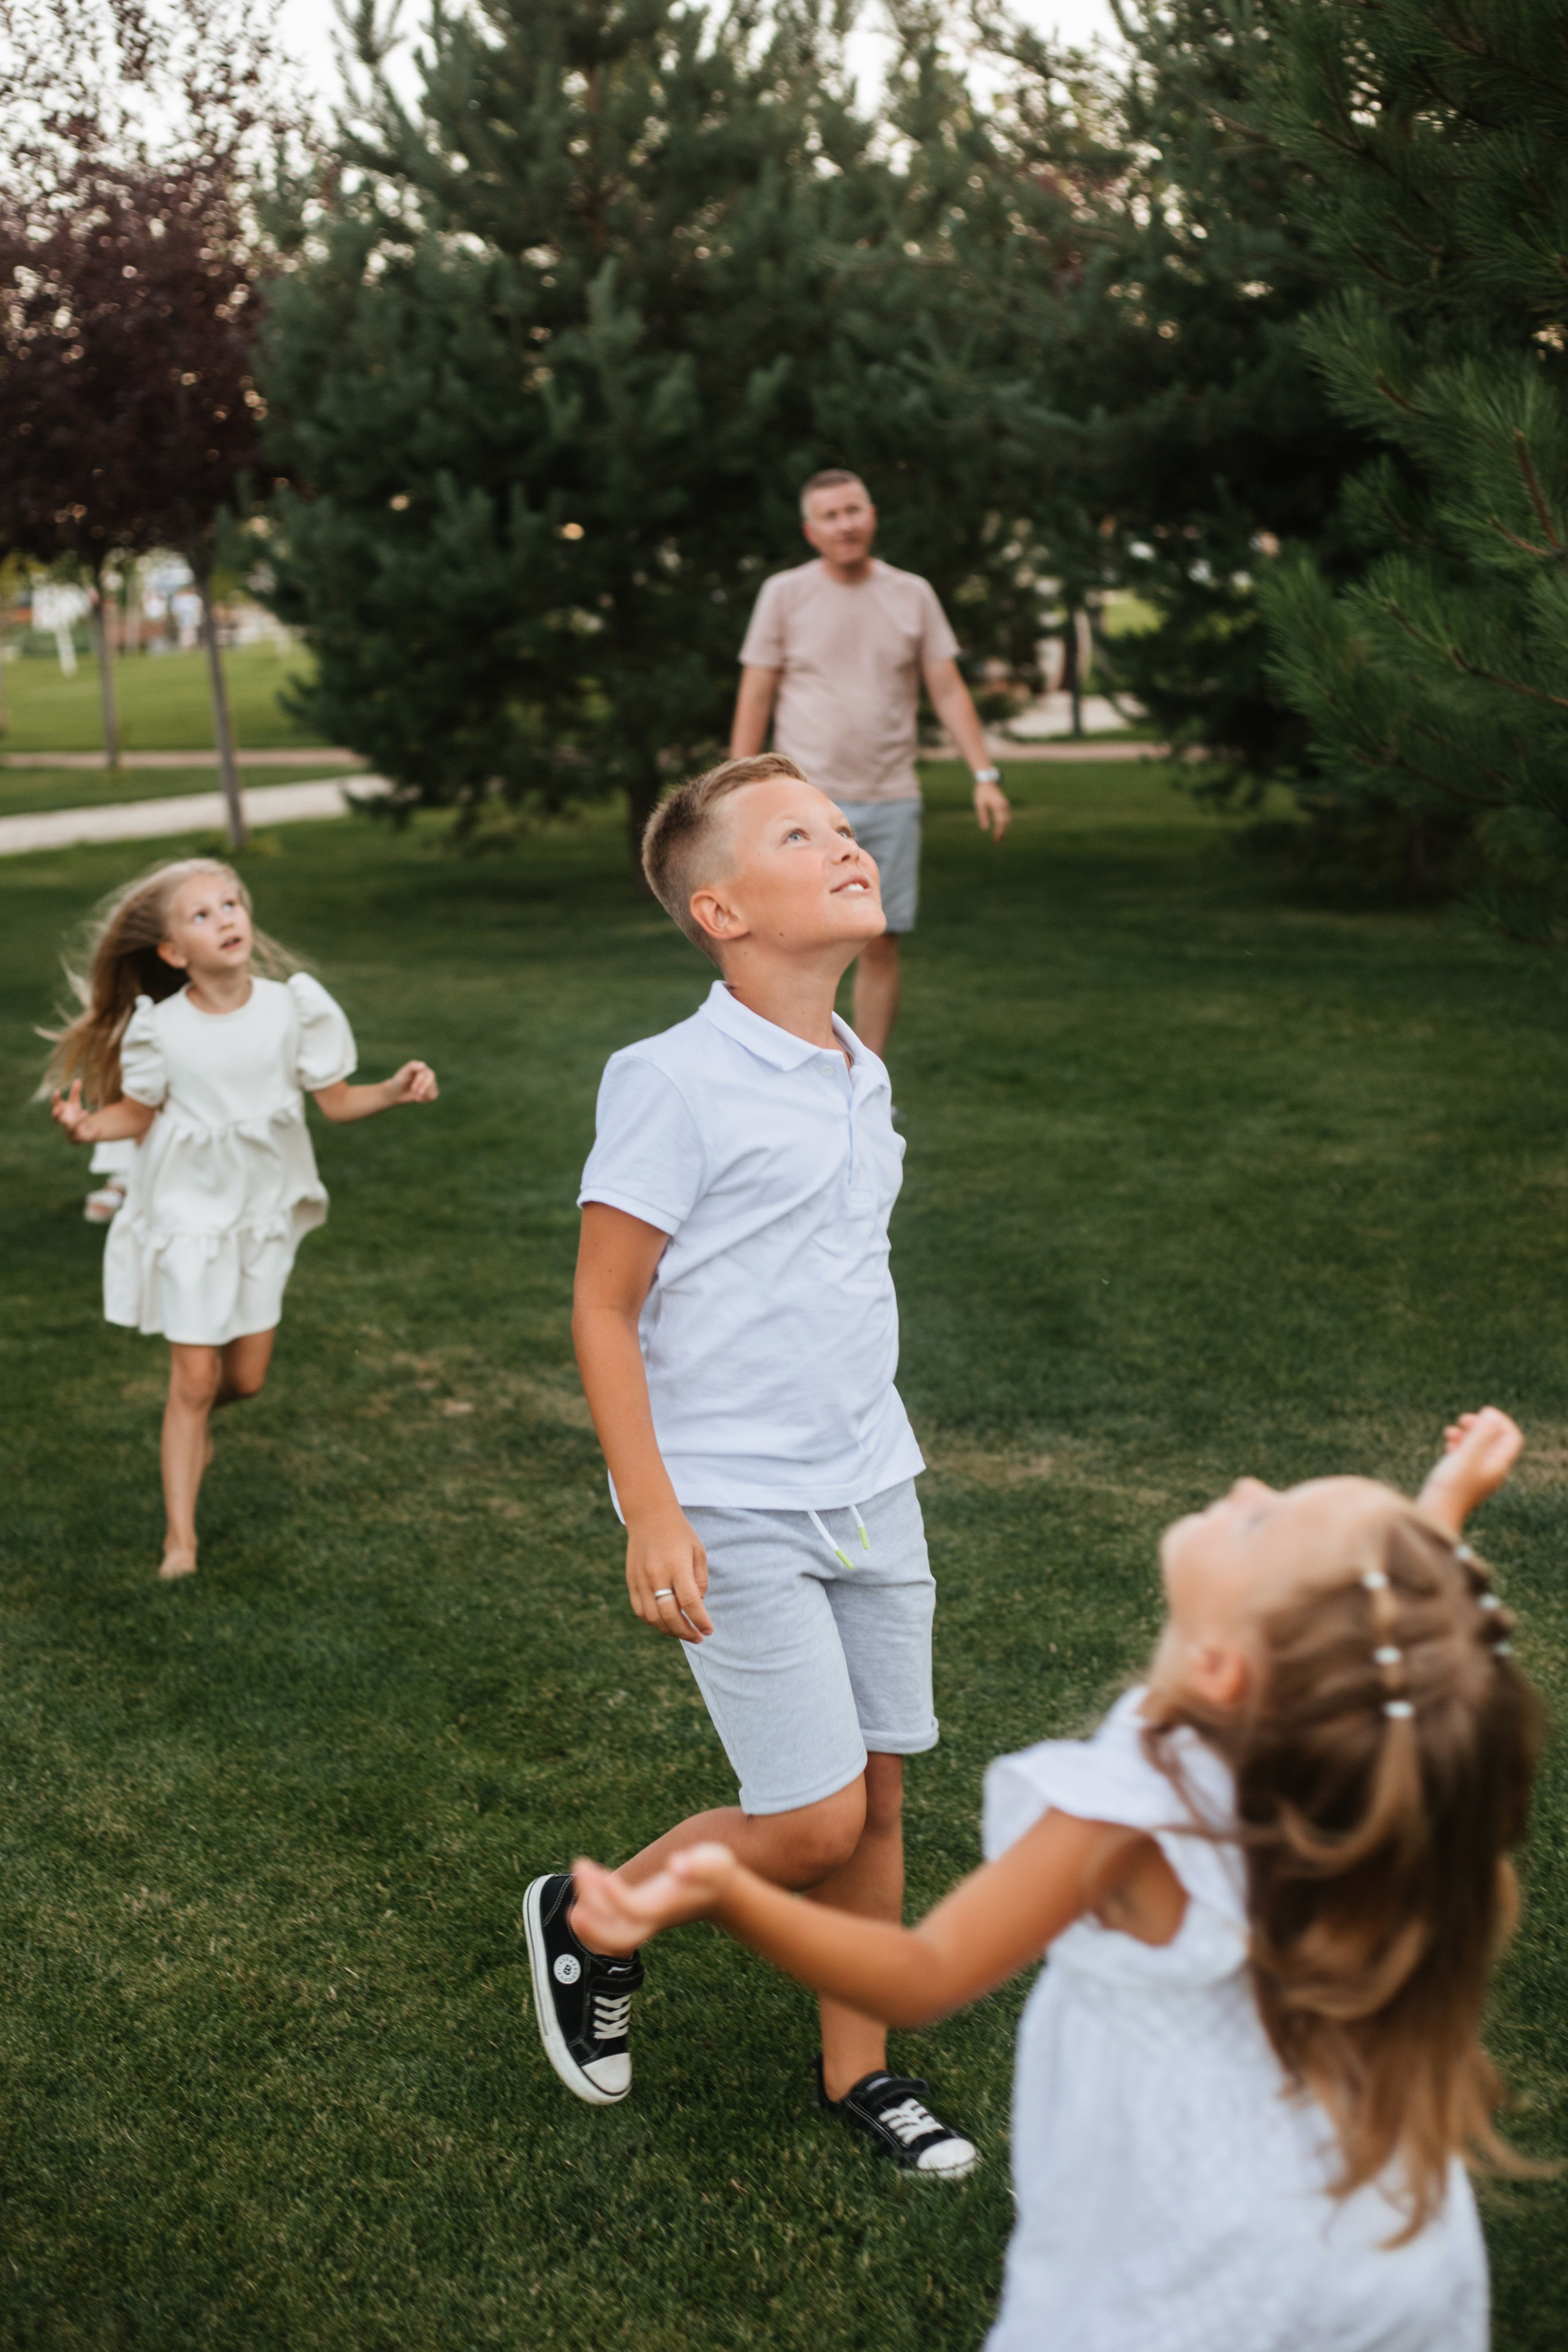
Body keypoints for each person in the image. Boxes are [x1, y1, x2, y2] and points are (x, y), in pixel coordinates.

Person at [570, 1406, 1544, 2351]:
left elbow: (922, 1973)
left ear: (1223, 1670)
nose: (1248, 1485)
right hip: (1376, 2231)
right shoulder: (1347, 1758)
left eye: (1264, 1518)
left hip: (1192, 2252)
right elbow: (1371, 1651)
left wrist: (732, 1896)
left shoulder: (1134, 1815)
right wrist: (1441, 1508)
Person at [524, 752, 976, 2176]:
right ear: (720, 910)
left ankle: (860, 2073)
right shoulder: (669, 1078)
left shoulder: (855, 1069)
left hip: (866, 1477)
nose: (845, 845)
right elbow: (602, 1302)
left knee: (882, 1792)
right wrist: (649, 1508)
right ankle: (593, 1914)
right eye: (801, 834)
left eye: (846, 827)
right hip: (725, 1493)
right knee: (808, 1816)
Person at [45, 857, 438, 1581]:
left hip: (262, 1206)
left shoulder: (294, 1007)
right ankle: (180, 1541)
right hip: (187, 1209)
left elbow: (337, 1100)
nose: (227, 918)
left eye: (232, 903)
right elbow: (137, 1114)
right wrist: (84, 1128)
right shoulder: (158, 1028)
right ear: (172, 952)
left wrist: (393, 1090)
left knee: (246, 1379)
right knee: (192, 1380)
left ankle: (197, 1427)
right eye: (202, 914)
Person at [731, 469, 1012, 1060]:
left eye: (853, 510)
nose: (845, 525)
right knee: (788, 941)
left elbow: (949, 689)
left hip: (891, 797)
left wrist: (985, 775)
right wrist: (736, 792)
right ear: (811, 531)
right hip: (801, 802)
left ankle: (869, 1084)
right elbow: (756, 693)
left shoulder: (912, 593)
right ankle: (786, 1071)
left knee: (879, 943)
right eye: (830, 516)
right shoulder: (784, 594)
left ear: (872, 515)